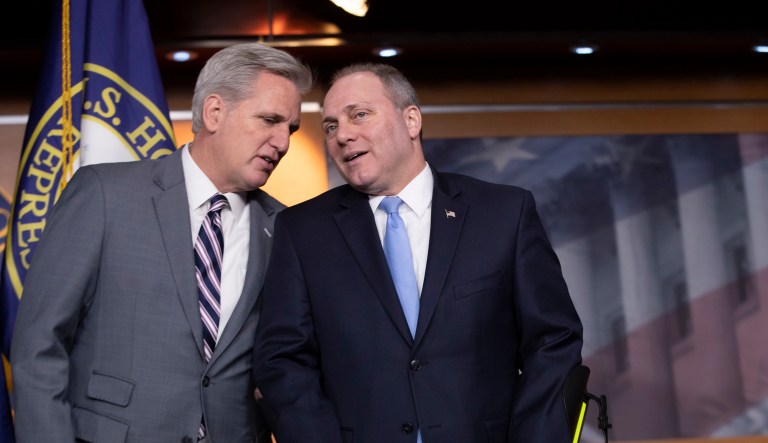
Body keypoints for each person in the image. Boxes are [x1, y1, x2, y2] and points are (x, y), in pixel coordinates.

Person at [252, 62, 584, 443]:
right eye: (330, 126)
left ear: (411, 120)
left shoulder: (504, 214)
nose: (343, 135)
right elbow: (282, 362)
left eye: (359, 115)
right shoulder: (302, 231)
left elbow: (553, 342)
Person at [10, 42, 313, 443]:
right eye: (269, 120)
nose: (283, 142)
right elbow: (38, 346)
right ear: (215, 112)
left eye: (290, 128)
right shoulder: (104, 194)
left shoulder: (287, 227)